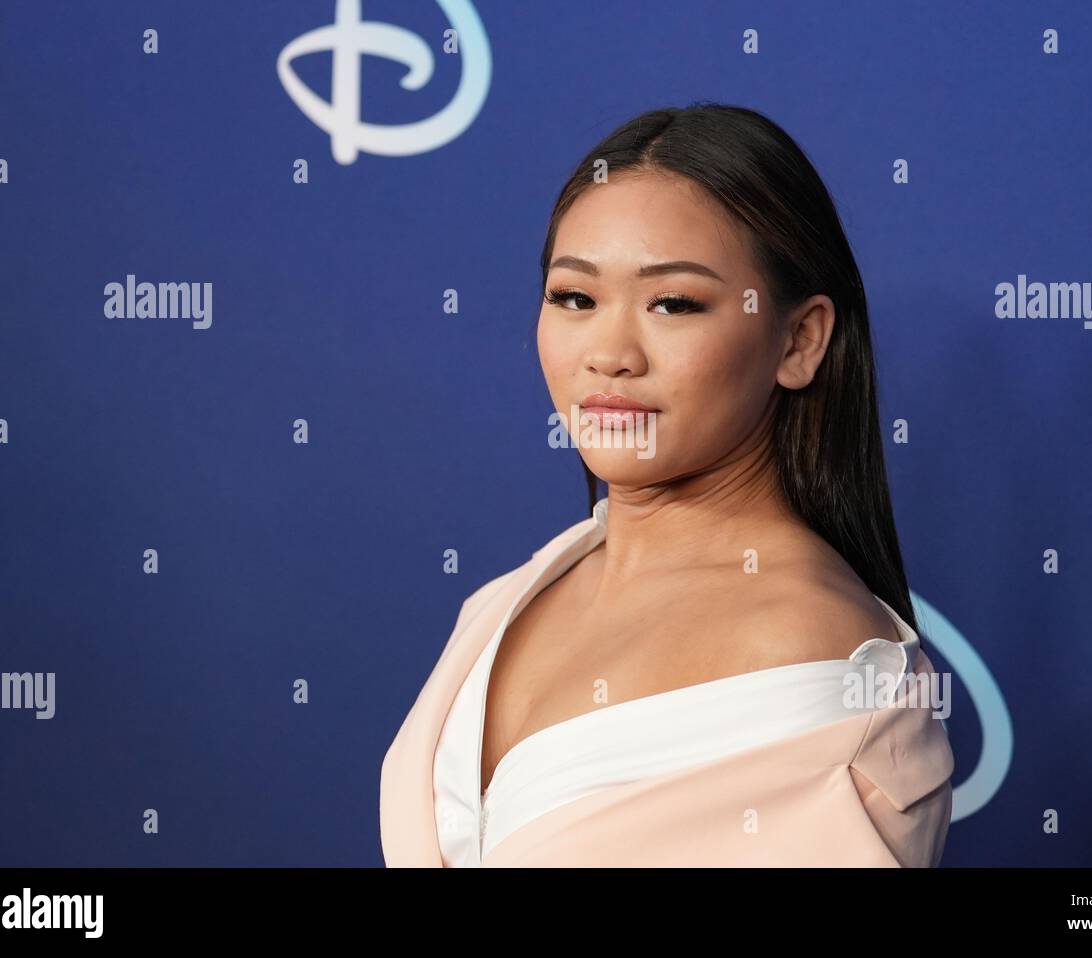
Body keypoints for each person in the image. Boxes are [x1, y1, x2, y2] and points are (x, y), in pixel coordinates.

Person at [380, 102, 954, 867]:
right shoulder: (513, 595)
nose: (610, 354)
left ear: (800, 340)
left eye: (674, 303)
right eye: (574, 298)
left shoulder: (804, 647)